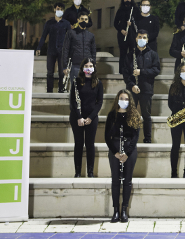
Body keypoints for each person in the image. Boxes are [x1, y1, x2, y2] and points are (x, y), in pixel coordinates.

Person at [104, 89, 141, 223]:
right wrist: (116, 153)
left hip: (129, 150)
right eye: (121, 98)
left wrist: (127, 153)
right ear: (117, 100)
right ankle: (115, 211)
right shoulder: (111, 115)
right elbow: (107, 137)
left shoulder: (134, 115)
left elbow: (136, 137)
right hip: (115, 149)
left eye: (126, 99)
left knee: (127, 181)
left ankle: (124, 210)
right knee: (115, 180)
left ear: (130, 101)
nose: (123, 101)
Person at [122, 29, 161, 144]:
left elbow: (156, 70)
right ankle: (130, 138)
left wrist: (141, 72)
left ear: (147, 40)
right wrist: (132, 85)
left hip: (147, 88)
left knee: (146, 115)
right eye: (139, 37)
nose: (142, 39)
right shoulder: (130, 55)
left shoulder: (153, 54)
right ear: (136, 38)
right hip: (132, 88)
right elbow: (126, 73)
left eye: (144, 37)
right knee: (131, 114)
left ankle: (147, 139)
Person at [69, 58, 103, 178]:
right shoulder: (76, 81)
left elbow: (99, 103)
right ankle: (77, 172)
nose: (88, 68)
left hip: (91, 118)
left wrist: (90, 118)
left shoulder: (98, 83)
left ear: (94, 68)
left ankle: (90, 172)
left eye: (91, 66)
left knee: (90, 144)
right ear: (83, 68)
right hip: (76, 117)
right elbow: (73, 101)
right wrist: (79, 117)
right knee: (78, 144)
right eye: (86, 66)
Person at [36, 2, 71, 93]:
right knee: (50, 72)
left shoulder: (66, 23)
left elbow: (70, 37)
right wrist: (39, 47)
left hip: (62, 51)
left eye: (61, 9)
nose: (60, 11)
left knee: (61, 72)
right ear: (54, 9)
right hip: (51, 50)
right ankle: (49, 91)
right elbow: (44, 36)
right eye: (58, 9)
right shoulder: (49, 23)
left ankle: (61, 90)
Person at [62, 11, 96, 83]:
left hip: (88, 66)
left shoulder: (91, 35)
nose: (84, 21)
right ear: (78, 19)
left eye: (86, 19)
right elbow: (65, 49)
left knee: (87, 88)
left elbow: (93, 51)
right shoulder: (71, 33)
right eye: (82, 19)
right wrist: (65, 66)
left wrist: (94, 64)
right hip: (75, 66)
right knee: (75, 89)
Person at [113, 0, 140, 74]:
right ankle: (122, 70)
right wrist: (121, 30)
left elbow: (139, 21)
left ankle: (132, 70)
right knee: (123, 53)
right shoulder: (120, 10)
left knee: (133, 52)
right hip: (122, 35)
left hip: (132, 34)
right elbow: (115, 23)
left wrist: (132, 24)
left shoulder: (135, 10)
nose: (127, 1)